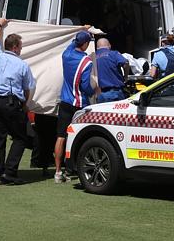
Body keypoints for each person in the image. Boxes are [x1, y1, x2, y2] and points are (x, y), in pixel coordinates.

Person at [0, 18, 36, 186]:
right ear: (15, 47)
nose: (21, 50)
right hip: (11, 103)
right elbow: (28, 88)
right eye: (21, 47)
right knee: (20, 137)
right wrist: (24, 105)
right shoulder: (22, 65)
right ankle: (9, 173)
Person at [55, 29, 96, 183]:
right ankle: (75, 169)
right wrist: (94, 91)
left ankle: (58, 172)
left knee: (60, 137)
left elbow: (72, 44)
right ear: (85, 44)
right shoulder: (86, 61)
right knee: (81, 137)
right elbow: (85, 86)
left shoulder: (66, 54)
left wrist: (82, 31)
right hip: (79, 104)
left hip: (65, 102)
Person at [95, 38, 129, 103]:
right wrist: (126, 76)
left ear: (97, 47)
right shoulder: (114, 54)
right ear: (109, 45)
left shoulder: (92, 57)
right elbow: (126, 63)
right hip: (115, 93)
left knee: (103, 113)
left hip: (100, 94)